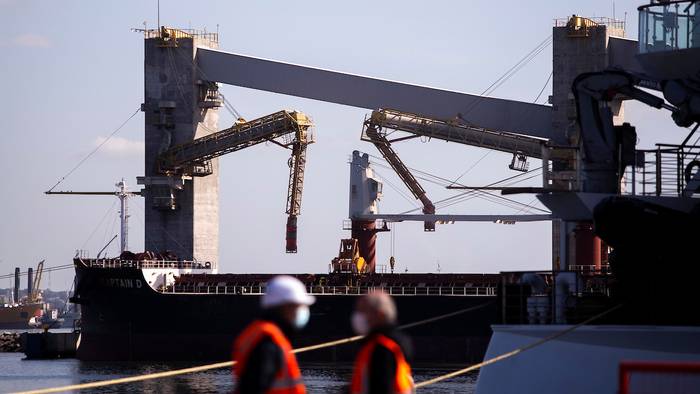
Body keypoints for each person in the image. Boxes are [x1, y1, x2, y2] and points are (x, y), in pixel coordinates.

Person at [233, 275, 315, 394]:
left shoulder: (262, 333)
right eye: (299, 306)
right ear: (286, 307)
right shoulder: (268, 343)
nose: (303, 311)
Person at [349, 292, 414, 394]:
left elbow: (381, 386)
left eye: (363, 311)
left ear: (380, 314)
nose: (358, 316)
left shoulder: (382, 348)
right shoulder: (394, 342)